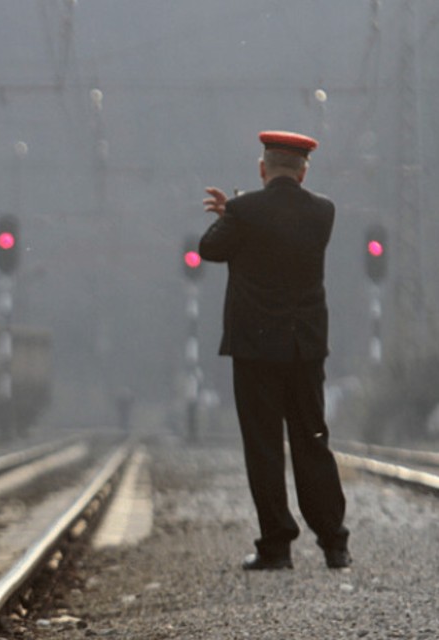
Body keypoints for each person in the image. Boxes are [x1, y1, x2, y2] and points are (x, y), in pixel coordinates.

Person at [199, 130, 351, 571]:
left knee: (264, 446)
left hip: (255, 349)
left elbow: (210, 249)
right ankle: (334, 543)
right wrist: (240, 212)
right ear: (304, 171)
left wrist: (230, 211)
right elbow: (281, 224)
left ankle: (277, 546)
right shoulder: (324, 212)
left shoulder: (244, 211)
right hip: (305, 348)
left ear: (262, 168)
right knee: (313, 440)